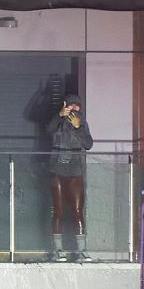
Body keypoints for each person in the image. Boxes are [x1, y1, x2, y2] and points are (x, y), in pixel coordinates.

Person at [45, 92, 94, 261]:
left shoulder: (82, 123)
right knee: (58, 210)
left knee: (78, 211)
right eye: (70, 105)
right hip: (58, 169)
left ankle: (81, 250)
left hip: (75, 171)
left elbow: (88, 144)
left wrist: (78, 127)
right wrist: (59, 116)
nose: (74, 108)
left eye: (77, 105)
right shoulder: (58, 122)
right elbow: (48, 131)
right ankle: (58, 249)